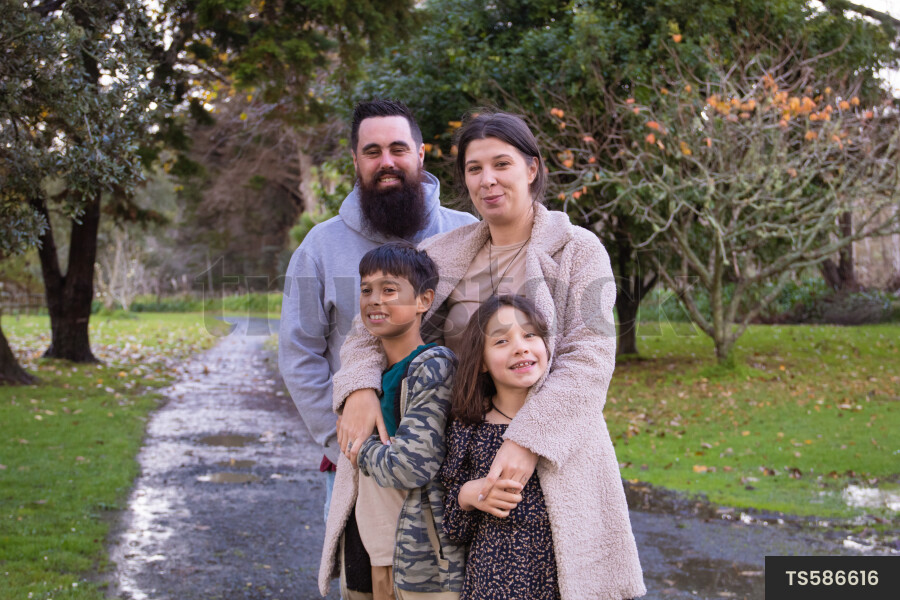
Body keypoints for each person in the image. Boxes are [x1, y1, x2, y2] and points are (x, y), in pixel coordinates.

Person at [333, 111, 645, 599]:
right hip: (453, 455)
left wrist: (527, 440)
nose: (488, 180)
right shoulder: (443, 251)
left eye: (501, 163)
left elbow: (590, 358)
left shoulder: (578, 251)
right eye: (474, 169)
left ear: (532, 168)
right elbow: (367, 327)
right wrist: (359, 388)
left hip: (548, 460)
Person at [278, 100, 476, 523]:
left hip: (457, 463)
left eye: (398, 149)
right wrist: (344, 442)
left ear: (420, 156)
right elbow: (298, 353)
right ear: (355, 160)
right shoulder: (319, 247)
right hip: (360, 463)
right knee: (369, 586)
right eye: (372, 152)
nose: (386, 162)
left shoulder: (467, 233)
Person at [318, 243, 465, 600]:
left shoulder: (433, 365)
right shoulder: (368, 378)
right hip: (367, 545)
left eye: (389, 290)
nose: (374, 300)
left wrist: (358, 444)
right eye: (366, 290)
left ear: (423, 301)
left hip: (414, 555)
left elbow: (412, 466)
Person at [440, 294, 556, 599]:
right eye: (501, 341)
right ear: (480, 362)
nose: (520, 346)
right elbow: (453, 525)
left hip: (561, 579)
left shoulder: (565, 423)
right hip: (492, 582)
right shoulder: (469, 426)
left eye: (530, 334)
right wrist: (469, 494)